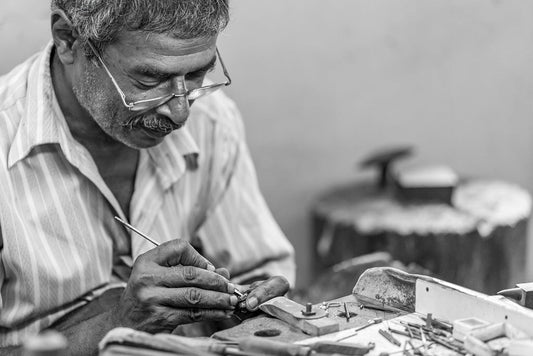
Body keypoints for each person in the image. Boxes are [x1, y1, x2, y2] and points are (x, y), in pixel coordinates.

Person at [0, 0, 295, 354]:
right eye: (150, 79)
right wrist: (116, 324)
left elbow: (258, 269)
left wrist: (252, 304)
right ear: (68, 41)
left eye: (198, 74)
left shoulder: (212, 121)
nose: (180, 111)